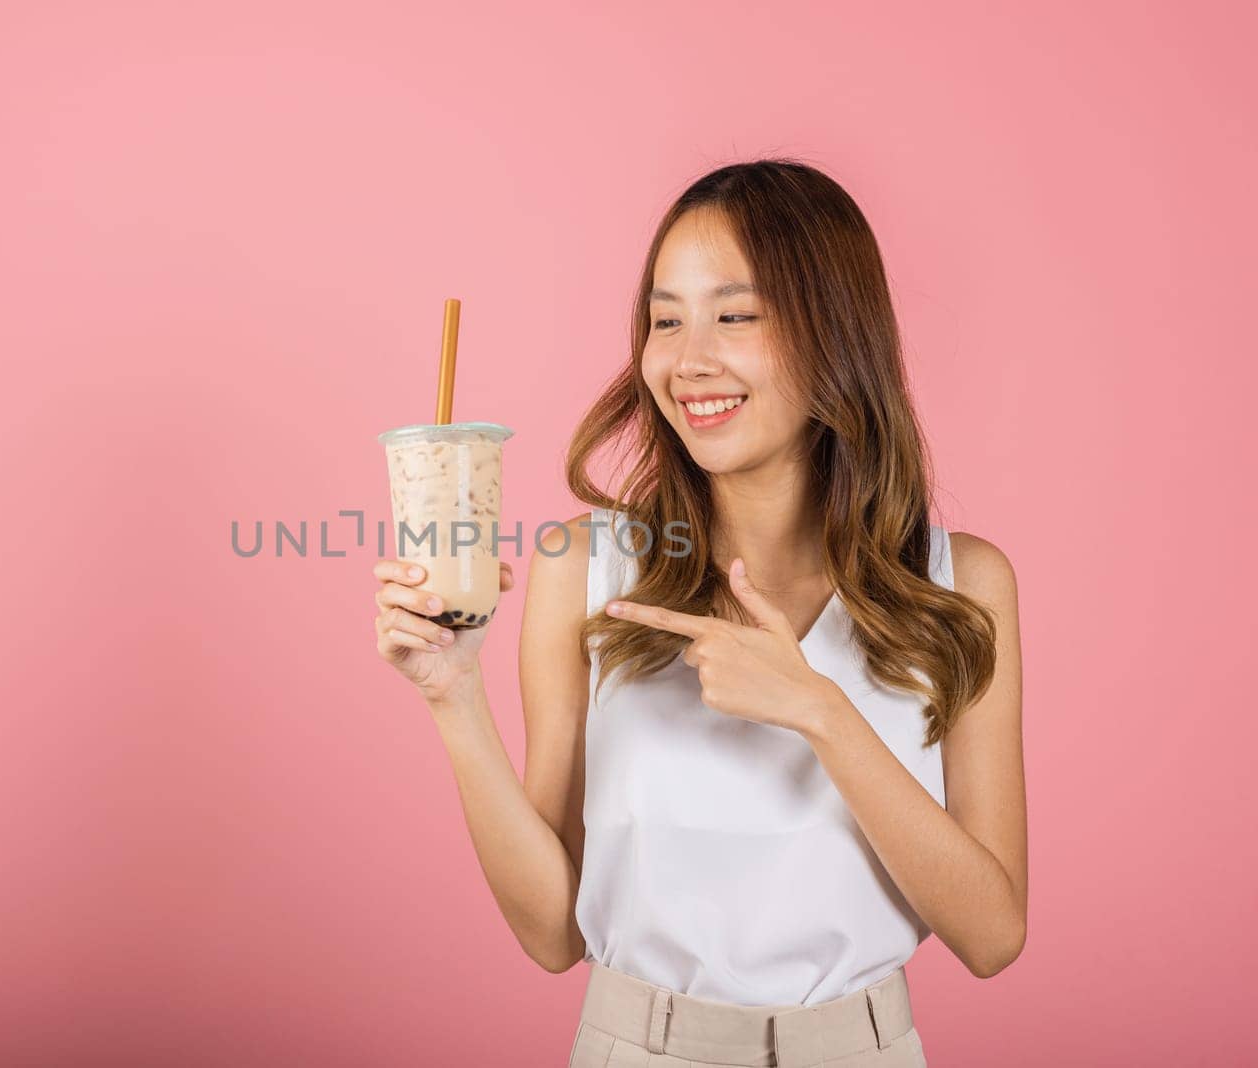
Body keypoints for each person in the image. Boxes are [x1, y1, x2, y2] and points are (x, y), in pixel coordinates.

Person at [371, 159, 1026, 1067]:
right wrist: (452, 696)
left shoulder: (961, 586)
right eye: (665, 318)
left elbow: (993, 936)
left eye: (736, 315)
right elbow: (553, 934)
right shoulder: (586, 568)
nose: (687, 359)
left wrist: (819, 711)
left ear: (836, 334)